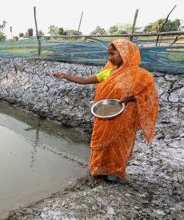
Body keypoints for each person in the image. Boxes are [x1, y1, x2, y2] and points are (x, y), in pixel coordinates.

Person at [52, 39, 159, 183]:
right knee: (103, 142)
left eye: (113, 54)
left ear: (126, 54)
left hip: (125, 119)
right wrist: (66, 76)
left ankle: (116, 172)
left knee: (119, 144)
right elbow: (84, 80)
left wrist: (129, 99)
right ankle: (100, 169)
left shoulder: (141, 76)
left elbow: (147, 95)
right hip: (104, 115)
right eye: (108, 54)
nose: (110, 57)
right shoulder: (108, 72)